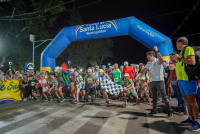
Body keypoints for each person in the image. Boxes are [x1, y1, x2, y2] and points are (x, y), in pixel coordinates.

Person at [135, 46, 173, 119]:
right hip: (152, 82)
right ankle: (154, 110)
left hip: (159, 81)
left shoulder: (157, 61)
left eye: (147, 56)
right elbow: (143, 71)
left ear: (151, 55)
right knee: (154, 97)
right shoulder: (148, 63)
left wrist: (157, 51)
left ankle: (169, 112)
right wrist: (137, 76)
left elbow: (162, 60)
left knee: (164, 97)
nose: (146, 57)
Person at [174, 37, 200, 131]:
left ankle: (197, 122)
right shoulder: (181, 52)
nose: (176, 45)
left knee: (192, 100)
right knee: (187, 99)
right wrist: (178, 78)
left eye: (177, 43)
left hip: (188, 79)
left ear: (180, 43)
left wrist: (180, 58)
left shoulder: (188, 49)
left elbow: (192, 62)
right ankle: (191, 118)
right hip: (181, 80)